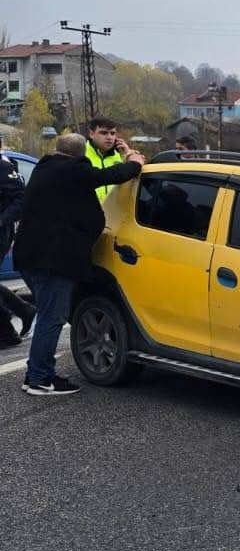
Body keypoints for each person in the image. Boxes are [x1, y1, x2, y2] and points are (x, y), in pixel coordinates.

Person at [13, 132, 144, 396]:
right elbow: (110, 176)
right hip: (54, 260)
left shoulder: (44, 168)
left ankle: (35, 374)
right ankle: (40, 378)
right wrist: (135, 162)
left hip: (30, 256)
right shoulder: (74, 170)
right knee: (52, 319)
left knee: (48, 317)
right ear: (81, 153)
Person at [0, 155, 36, 346]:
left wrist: (2, 220)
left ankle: (6, 332)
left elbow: (20, 200)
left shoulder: (4, 167)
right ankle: (23, 310)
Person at [85, 116, 129, 202]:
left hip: (116, 211)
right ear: (91, 134)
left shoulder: (120, 154)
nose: (109, 137)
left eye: (112, 133)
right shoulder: (81, 154)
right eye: (104, 133)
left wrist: (127, 156)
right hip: (89, 212)